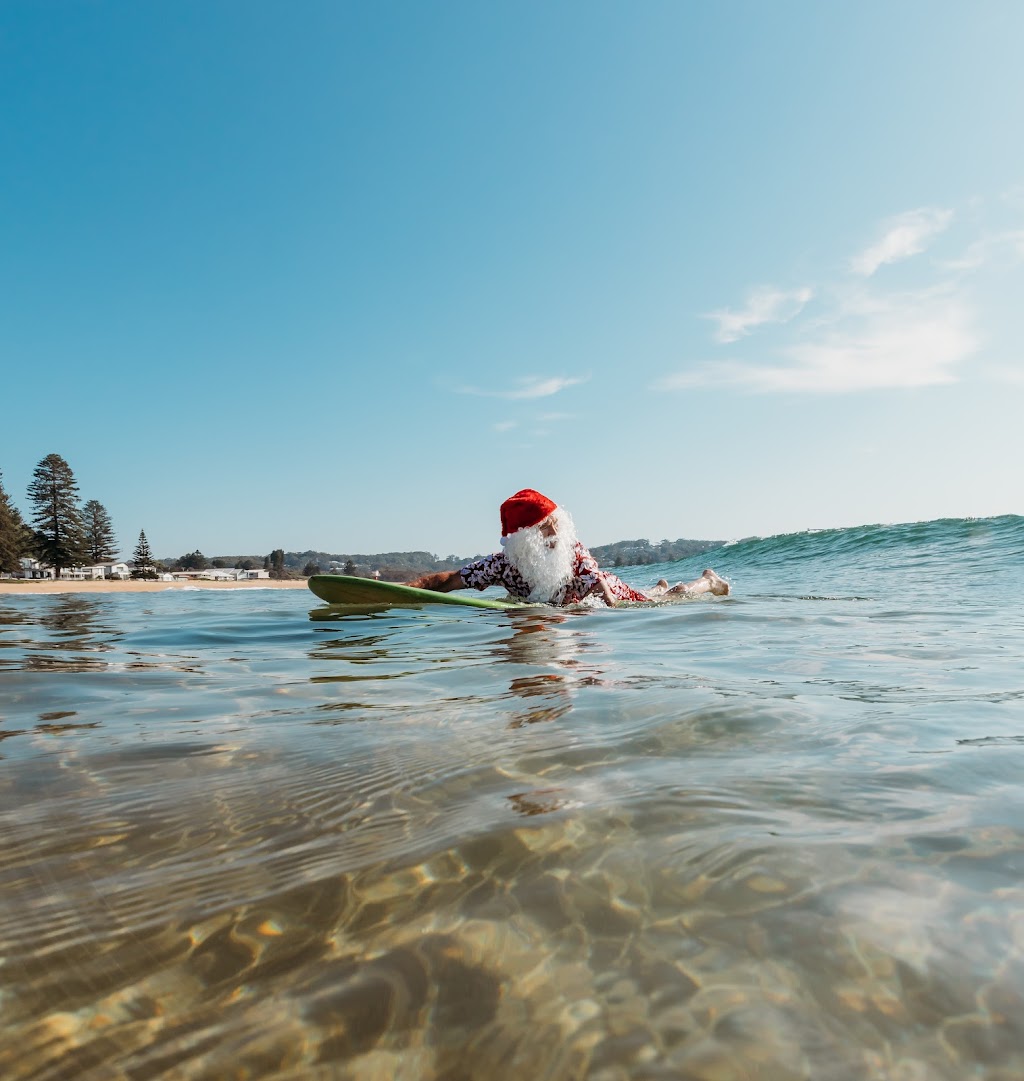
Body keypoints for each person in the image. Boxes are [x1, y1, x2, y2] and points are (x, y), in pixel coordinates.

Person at [408, 488, 729, 607]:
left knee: (669, 598)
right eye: (546, 530)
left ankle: (708, 581)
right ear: (523, 541)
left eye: (556, 525)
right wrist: (407, 589)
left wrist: (612, 609)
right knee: (659, 592)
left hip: (607, 594)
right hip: (565, 601)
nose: (556, 535)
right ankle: (658, 585)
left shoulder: (571, 552)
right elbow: (449, 579)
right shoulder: (500, 566)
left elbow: (600, 584)